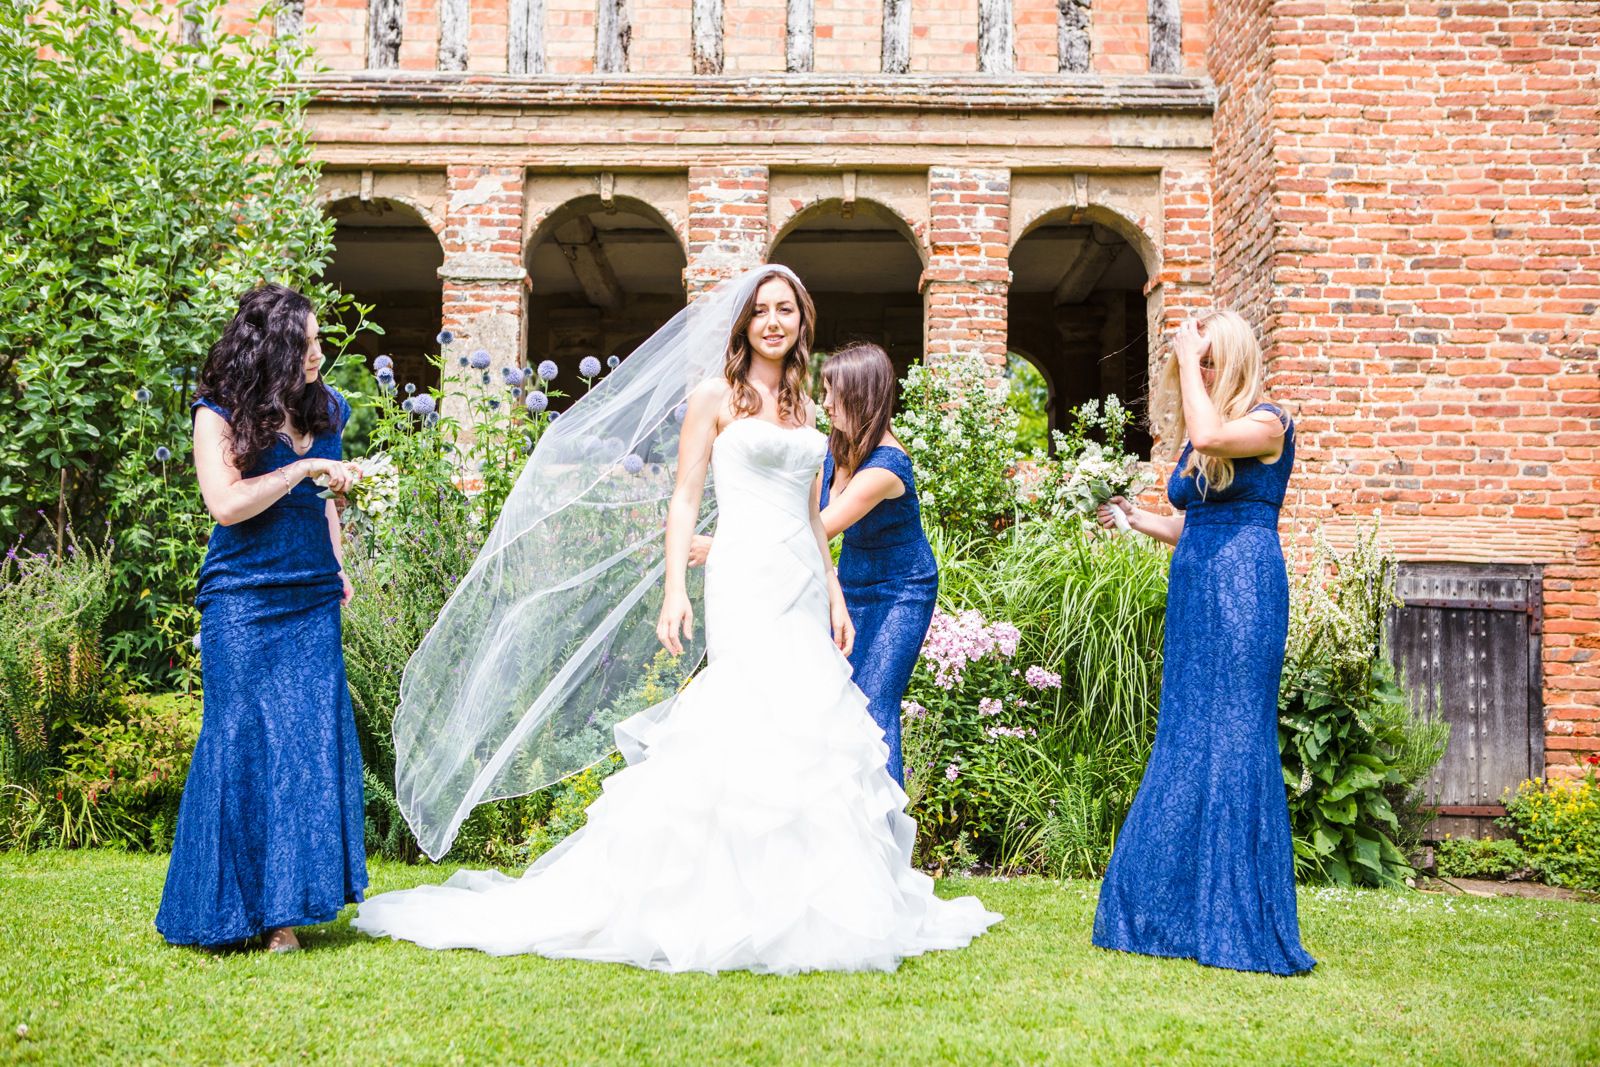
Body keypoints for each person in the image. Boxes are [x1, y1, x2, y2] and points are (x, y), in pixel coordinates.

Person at [352, 266, 1000, 974]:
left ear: (802, 321)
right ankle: (720, 899)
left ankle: (805, 897)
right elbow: (685, 498)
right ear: (744, 323)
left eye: (786, 310)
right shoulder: (714, 397)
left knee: (810, 719)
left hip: (803, 582)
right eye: (762, 310)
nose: (774, 322)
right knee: (747, 712)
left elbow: (811, 514)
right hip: (744, 577)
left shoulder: (805, 407)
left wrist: (836, 594)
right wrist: (673, 588)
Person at [1091, 310, 1315, 976]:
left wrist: (1188, 359)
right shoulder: (1205, 436)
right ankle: (1169, 915)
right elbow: (1193, 526)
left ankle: (1238, 917)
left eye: (1213, 360)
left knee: (1237, 737)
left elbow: (1210, 433)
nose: (1202, 370)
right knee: (1187, 735)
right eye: (1199, 360)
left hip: (1246, 588)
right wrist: (1135, 518)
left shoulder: (1267, 424)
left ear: (1236, 359)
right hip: (1196, 592)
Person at [156, 284, 368, 953]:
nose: (317, 353)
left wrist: (338, 562)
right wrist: (303, 468)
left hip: (310, 595)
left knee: (302, 748)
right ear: (272, 348)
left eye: (318, 340)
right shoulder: (219, 412)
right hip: (243, 597)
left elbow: (323, 506)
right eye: (305, 343)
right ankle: (224, 911)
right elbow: (225, 504)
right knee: (241, 741)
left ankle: (283, 917)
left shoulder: (326, 407)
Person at [688, 342, 934, 785]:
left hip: (900, 590)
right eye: (823, 391)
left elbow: (821, 524)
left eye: (834, 392)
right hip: (850, 579)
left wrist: (723, 546)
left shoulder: (887, 467)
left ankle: (887, 820)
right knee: (837, 699)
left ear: (861, 395)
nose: (825, 402)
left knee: (874, 702)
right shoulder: (834, 446)